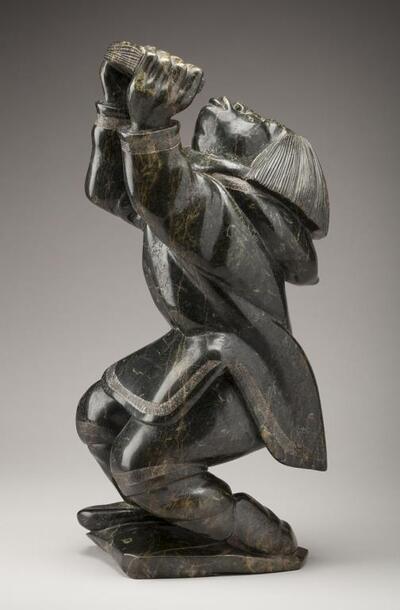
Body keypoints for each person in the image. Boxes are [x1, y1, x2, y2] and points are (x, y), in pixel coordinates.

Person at [77, 46, 329, 558]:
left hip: (241, 378)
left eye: (258, 123)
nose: (237, 106)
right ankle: (161, 509)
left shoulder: (234, 217)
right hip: (200, 354)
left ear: (261, 168)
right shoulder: (194, 192)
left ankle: (262, 536)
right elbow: (113, 191)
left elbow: (166, 198)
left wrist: (152, 127)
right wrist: (117, 107)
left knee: (140, 463)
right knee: (98, 416)